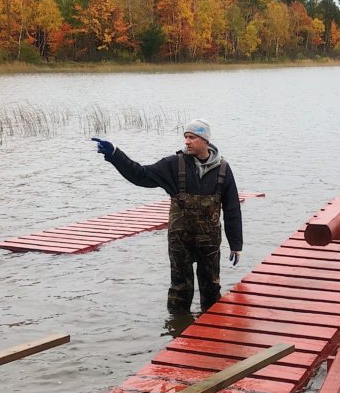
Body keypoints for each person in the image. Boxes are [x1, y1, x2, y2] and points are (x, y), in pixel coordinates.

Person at [92, 119, 242, 313]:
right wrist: (115, 155)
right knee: (180, 290)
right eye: (185, 137)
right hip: (180, 242)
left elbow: (232, 209)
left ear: (205, 141)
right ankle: (178, 331)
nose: (187, 141)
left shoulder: (223, 169)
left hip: (209, 243)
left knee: (211, 289)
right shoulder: (173, 164)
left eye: (192, 137)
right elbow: (141, 175)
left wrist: (236, 244)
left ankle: (212, 332)